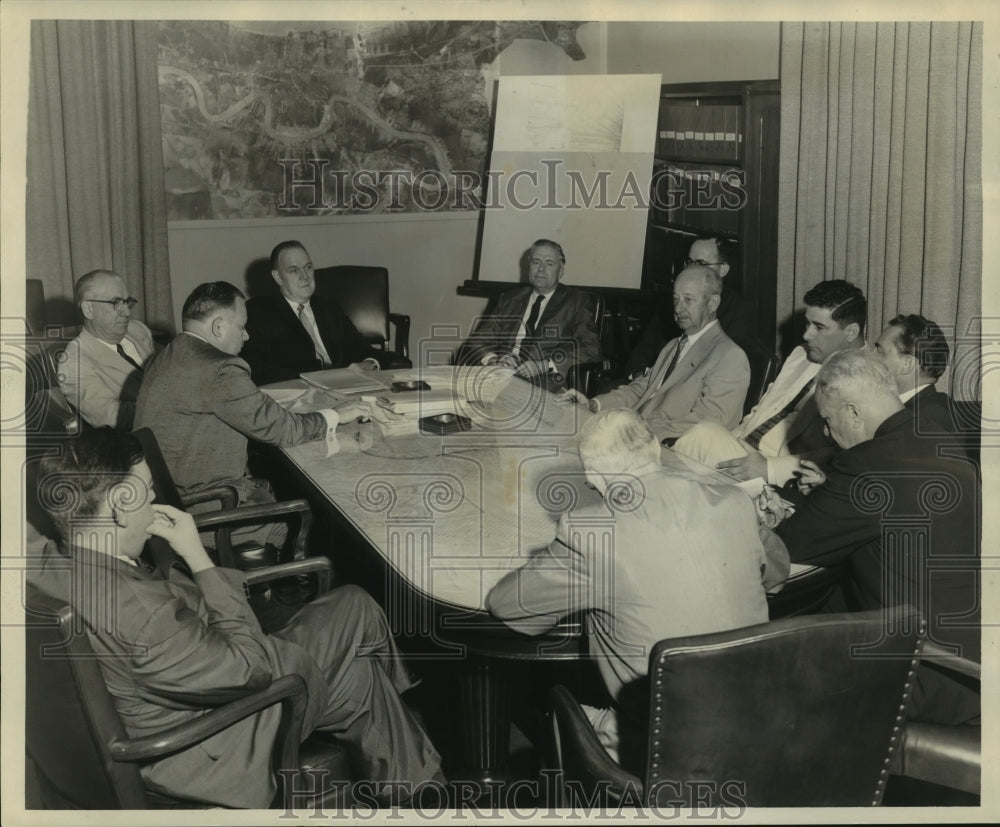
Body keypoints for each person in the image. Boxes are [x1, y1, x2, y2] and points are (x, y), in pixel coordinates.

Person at [28, 427, 442, 808]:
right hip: (208, 749)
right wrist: (197, 557)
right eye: (149, 493)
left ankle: (418, 784)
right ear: (119, 505)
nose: (154, 505)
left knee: (359, 675)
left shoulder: (47, 562)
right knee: (354, 607)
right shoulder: (143, 614)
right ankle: (422, 767)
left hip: (182, 691)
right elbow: (253, 668)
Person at [486, 409, 785, 767]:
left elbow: (508, 606)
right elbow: (777, 575)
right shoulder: (734, 501)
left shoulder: (589, 534)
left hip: (664, 747)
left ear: (593, 477)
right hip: (763, 720)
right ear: (657, 449)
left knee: (539, 706)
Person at [769, 350, 979, 725]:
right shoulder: (941, 439)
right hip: (972, 666)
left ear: (852, 412)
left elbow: (789, 545)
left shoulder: (867, 463)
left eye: (828, 421)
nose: (828, 434)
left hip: (921, 670)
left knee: (767, 667)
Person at [134, 281, 371, 550]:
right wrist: (336, 415)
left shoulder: (167, 354)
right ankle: (299, 587)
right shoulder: (220, 368)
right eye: (241, 326)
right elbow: (284, 431)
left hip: (168, 501)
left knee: (280, 483)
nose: (246, 336)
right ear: (218, 327)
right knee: (322, 522)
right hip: (206, 511)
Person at [673, 279, 867, 485]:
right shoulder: (801, 354)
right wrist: (732, 441)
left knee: (700, 438)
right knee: (698, 440)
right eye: (807, 324)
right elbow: (761, 410)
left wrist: (769, 468)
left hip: (781, 477)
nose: (806, 334)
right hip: (744, 453)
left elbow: (847, 455)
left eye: (819, 327)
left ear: (851, 332)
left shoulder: (867, 379)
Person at [562, 265, 750, 444]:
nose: (678, 308)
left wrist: (637, 434)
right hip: (633, 435)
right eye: (675, 299)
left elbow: (708, 427)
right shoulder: (674, 345)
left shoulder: (729, 356)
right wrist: (593, 405)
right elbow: (640, 389)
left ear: (713, 303)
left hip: (663, 450)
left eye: (688, 300)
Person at [454, 239, 602, 392]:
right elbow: (476, 341)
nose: (541, 269)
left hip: (546, 383)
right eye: (536, 262)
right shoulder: (509, 299)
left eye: (549, 264)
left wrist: (545, 365)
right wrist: (494, 360)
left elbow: (591, 349)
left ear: (561, 271)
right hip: (501, 378)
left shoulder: (576, 301)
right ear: (528, 267)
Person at [242, 240, 384, 386]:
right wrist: (324, 376)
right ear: (278, 277)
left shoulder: (330, 309)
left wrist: (370, 363)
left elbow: (362, 349)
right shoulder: (259, 312)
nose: (305, 276)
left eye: (308, 267)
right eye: (294, 270)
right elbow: (256, 369)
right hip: (298, 392)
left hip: (345, 389)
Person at [625, 233, 756, 379]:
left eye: (700, 263)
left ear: (723, 270)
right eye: (689, 262)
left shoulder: (739, 311)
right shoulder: (672, 300)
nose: (691, 269)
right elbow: (643, 350)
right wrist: (638, 376)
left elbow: (724, 367)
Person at [57, 269, 157, 429]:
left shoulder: (137, 330)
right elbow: (112, 417)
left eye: (128, 301)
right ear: (89, 309)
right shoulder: (74, 364)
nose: (127, 312)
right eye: (116, 303)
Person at [871, 313, 956, 434]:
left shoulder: (928, 418)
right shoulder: (919, 409)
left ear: (907, 365)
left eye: (880, 352)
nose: (869, 357)